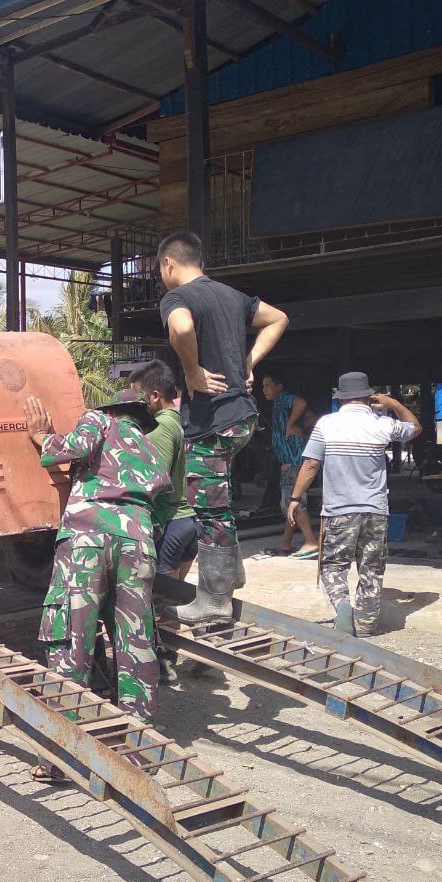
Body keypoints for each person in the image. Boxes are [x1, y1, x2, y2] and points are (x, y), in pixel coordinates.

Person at [23, 388, 171, 782]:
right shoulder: (149, 446)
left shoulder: (99, 419)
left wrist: (42, 435)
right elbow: (164, 498)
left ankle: (62, 758)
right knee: (135, 642)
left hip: (88, 540)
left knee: (72, 639)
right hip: (138, 542)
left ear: (114, 409)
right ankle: (139, 754)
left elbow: (67, 449)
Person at [157, 230, 289, 623]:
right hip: (243, 417)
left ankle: (214, 599)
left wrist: (191, 370)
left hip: (211, 420)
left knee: (208, 509)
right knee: (222, 500)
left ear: (170, 264)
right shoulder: (233, 296)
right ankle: (232, 574)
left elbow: (180, 329)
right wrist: (247, 362)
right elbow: (278, 318)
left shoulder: (177, 297)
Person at [287, 372, 420, 636]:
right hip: (376, 511)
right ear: (369, 397)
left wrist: (294, 498)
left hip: (339, 511)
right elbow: (415, 428)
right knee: (371, 568)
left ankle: (343, 605)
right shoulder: (383, 424)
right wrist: (393, 404)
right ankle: (367, 627)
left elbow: (311, 464)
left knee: (333, 566)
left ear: (341, 398)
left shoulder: (327, 424)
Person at [134, 360, 198, 582]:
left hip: (171, 522)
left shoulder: (160, 428)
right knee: (177, 597)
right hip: (188, 520)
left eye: (139, 397)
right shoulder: (183, 420)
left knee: (163, 600)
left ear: (154, 395)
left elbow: (156, 481)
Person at [261, 371, 318, 558]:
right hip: (292, 460)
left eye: (268, 385)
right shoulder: (280, 404)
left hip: (293, 461)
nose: (264, 390)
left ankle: (310, 541)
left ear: (279, 387)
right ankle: (285, 543)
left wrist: (291, 425)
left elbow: (301, 404)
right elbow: (310, 417)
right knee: (290, 503)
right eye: (263, 386)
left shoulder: (284, 399)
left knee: (293, 501)